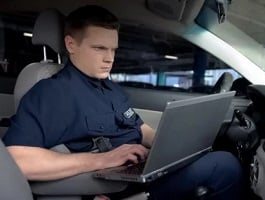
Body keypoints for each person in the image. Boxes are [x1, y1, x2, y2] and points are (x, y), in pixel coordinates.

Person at [3, 5, 243, 200]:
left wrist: (172, 147)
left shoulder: (110, 88)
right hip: (115, 190)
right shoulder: (52, 92)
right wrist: (103, 160)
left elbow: (140, 129)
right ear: (71, 44)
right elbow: (15, 160)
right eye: (99, 48)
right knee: (223, 165)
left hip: (142, 172)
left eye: (113, 50)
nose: (109, 59)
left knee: (215, 157)